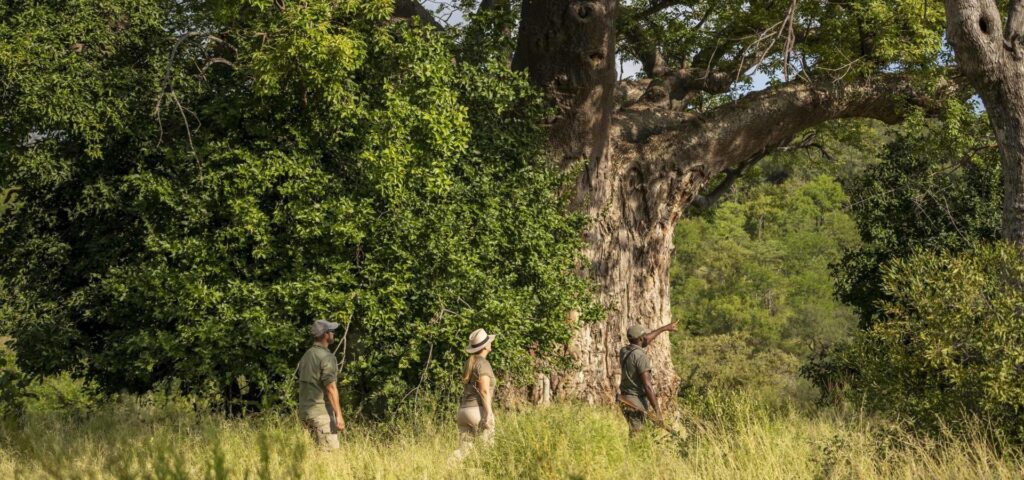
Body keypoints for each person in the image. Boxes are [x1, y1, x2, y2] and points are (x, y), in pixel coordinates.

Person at [618, 322, 677, 436]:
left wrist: (664, 328)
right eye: (644, 335)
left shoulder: (624, 351)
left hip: (624, 398)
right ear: (641, 338)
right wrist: (658, 411)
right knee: (637, 436)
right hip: (635, 401)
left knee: (638, 433)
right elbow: (648, 386)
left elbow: (646, 339)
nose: (646, 337)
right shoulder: (640, 356)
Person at [297, 319, 346, 450]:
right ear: (325, 335)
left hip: (305, 413)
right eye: (331, 331)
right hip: (322, 414)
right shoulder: (327, 357)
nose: (333, 334)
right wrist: (339, 416)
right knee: (330, 458)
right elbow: (331, 388)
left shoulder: (306, 355)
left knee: (314, 457)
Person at [452, 328, 496, 461]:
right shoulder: (483, 363)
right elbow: (484, 390)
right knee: (487, 449)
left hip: (464, 412)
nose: (490, 343)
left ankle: (446, 469)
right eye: (488, 341)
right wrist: (488, 414)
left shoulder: (469, 362)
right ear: (485, 347)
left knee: (464, 450)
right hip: (478, 411)